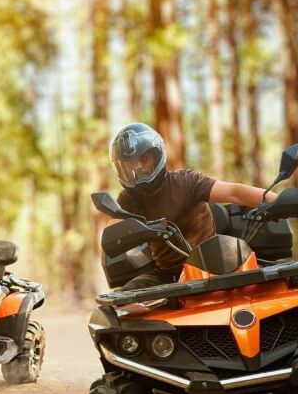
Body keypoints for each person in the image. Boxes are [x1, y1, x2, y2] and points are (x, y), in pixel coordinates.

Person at [109, 122, 277, 290]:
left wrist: (280, 201)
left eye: (143, 159)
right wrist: (131, 231)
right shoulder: (128, 199)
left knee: (275, 284)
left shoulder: (186, 182)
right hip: (169, 275)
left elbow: (234, 192)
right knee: (125, 300)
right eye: (130, 163)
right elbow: (112, 230)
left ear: (156, 155)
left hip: (213, 263)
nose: (137, 166)